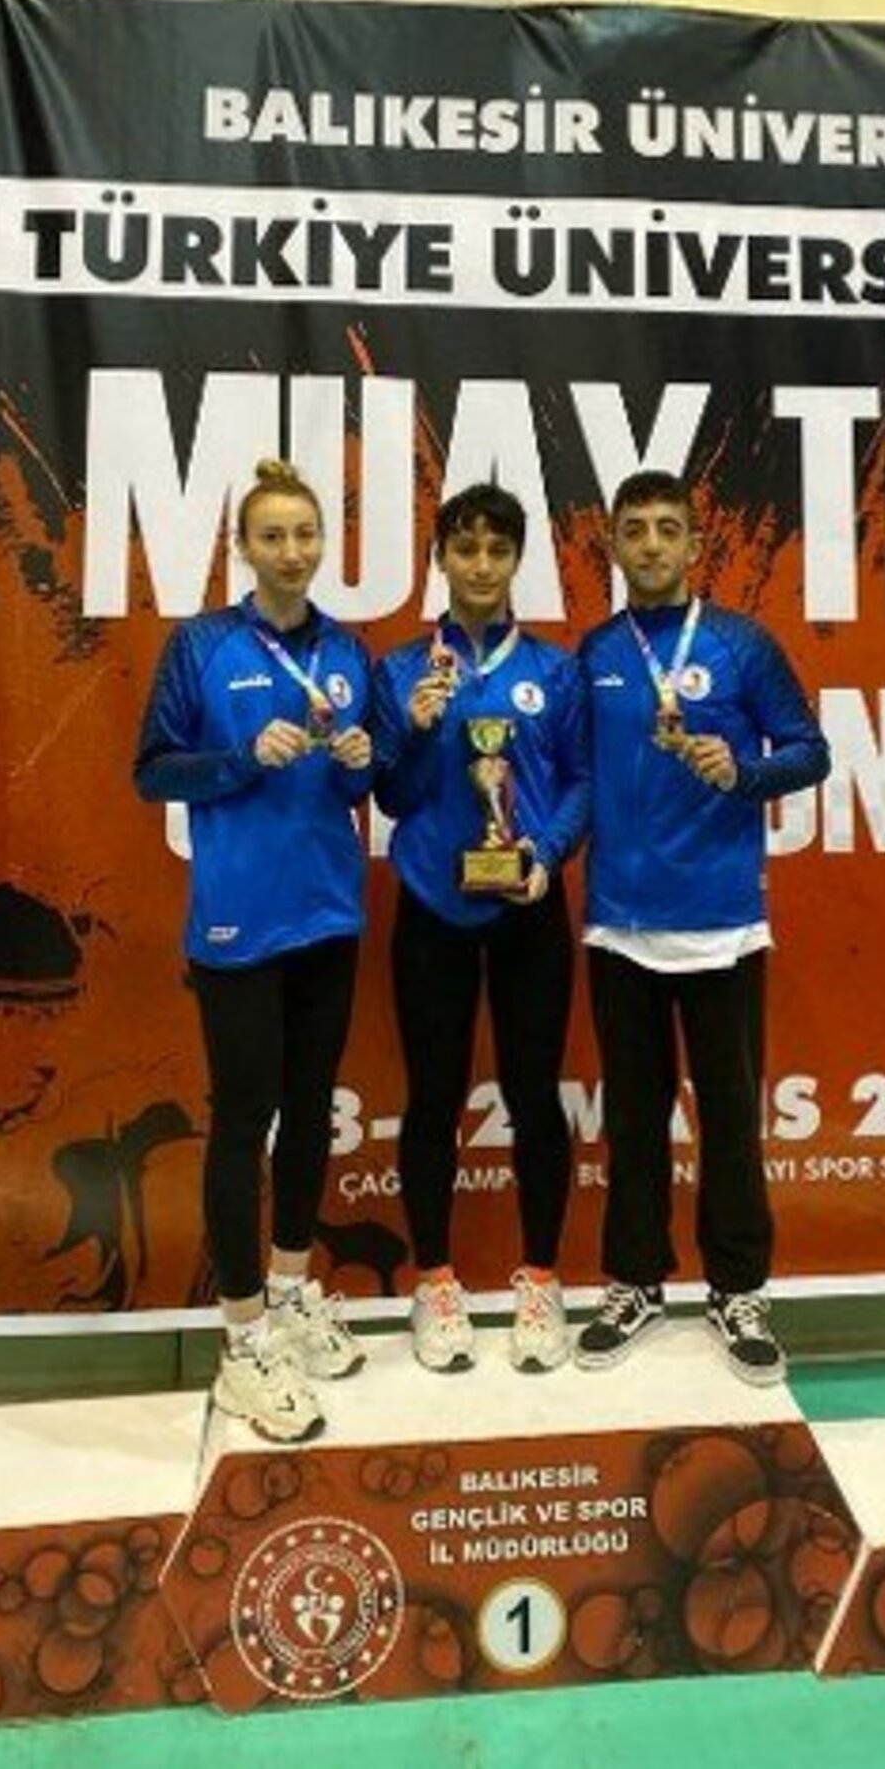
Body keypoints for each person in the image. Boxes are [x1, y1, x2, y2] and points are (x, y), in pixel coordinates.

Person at [574, 469, 830, 1385]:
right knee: (634, 1118)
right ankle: (636, 1282)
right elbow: (571, 778)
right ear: (614, 544)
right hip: (620, 923)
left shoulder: (740, 643)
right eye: (634, 529)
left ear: (694, 543)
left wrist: (744, 770)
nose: (650, 544)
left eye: (666, 528)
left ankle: (738, 1290)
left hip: (721, 924)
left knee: (727, 1119)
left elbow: (810, 751)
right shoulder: (595, 652)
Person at [134, 459, 372, 1442]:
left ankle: (289, 1291)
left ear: (323, 544)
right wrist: (240, 759)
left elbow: (360, 784)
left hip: (329, 915)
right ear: (244, 547)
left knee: (312, 1108)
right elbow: (153, 771)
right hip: (238, 923)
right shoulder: (202, 645)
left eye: (305, 534)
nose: (291, 551)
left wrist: (361, 760)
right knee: (244, 1120)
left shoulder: (347, 651)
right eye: (272, 535)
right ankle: (241, 1343)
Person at [373, 482, 589, 1374]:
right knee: (433, 1096)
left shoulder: (555, 671)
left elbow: (580, 782)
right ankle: (434, 1281)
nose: (481, 564)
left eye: (498, 549)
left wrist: (547, 850)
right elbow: (391, 794)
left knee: (535, 1096)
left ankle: (540, 1277)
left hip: (528, 905)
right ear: (440, 559)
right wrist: (416, 729)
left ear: (516, 560)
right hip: (432, 907)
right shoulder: (400, 671)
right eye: (465, 548)